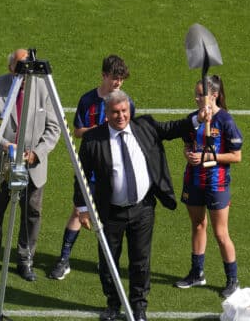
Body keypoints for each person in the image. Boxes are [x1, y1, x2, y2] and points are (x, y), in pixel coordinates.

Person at [75, 90, 208, 321]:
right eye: (115, 112)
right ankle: (113, 305)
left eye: (124, 111)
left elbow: (174, 128)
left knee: (141, 261)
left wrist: (198, 118)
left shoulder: (145, 126)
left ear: (129, 109)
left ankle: (138, 308)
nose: (121, 116)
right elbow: (81, 175)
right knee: (109, 261)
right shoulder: (93, 140)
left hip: (143, 209)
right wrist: (82, 207)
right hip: (110, 212)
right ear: (107, 114)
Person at [49, 54, 136, 280]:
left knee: (110, 217)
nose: (117, 83)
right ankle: (63, 260)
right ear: (103, 75)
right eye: (114, 78)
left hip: (115, 168)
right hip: (89, 166)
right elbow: (77, 132)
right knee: (79, 211)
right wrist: (98, 130)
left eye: (121, 80)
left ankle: (105, 261)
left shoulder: (125, 102)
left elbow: (131, 132)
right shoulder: (87, 100)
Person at [0, 49, 60, 281]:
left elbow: (54, 129)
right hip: (2, 164)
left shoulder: (44, 88)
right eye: (21, 67)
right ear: (11, 68)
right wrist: (5, 146)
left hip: (33, 166)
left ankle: (25, 259)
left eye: (29, 66)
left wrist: (36, 153)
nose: (26, 72)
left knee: (31, 213)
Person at [173, 75, 243, 298]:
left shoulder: (225, 121)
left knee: (221, 233)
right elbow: (186, 146)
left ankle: (232, 280)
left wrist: (210, 156)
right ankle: (197, 273)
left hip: (217, 183)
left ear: (213, 96)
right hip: (193, 181)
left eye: (199, 94)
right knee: (197, 225)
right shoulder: (193, 119)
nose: (195, 98)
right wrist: (189, 155)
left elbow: (236, 156)